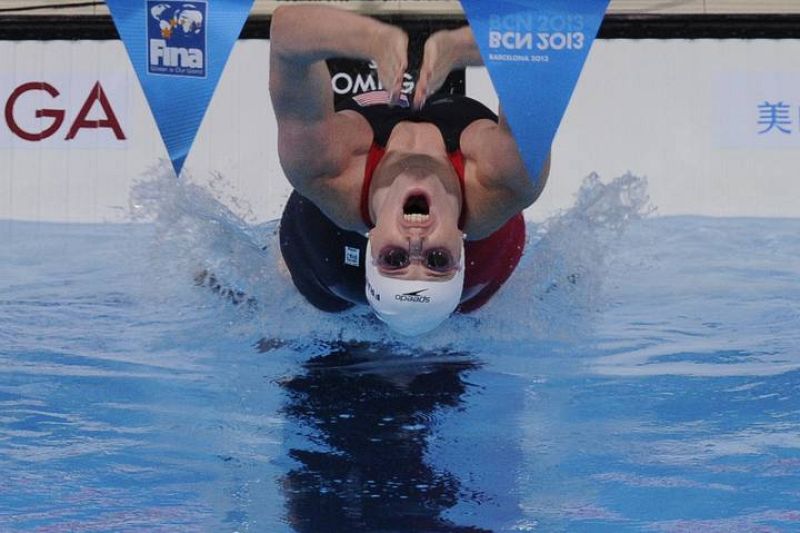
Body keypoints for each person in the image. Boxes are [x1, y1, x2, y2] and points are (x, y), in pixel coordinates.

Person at [270, 5, 549, 336]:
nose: (416, 242)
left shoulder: (325, 169)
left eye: (394, 258)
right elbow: (541, 42)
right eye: (437, 261)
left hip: (325, 264)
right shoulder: (510, 180)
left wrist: (372, 40)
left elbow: (286, 31)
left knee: (291, 290)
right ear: (460, 249)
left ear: (372, 243)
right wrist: (459, 47)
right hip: (485, 271)